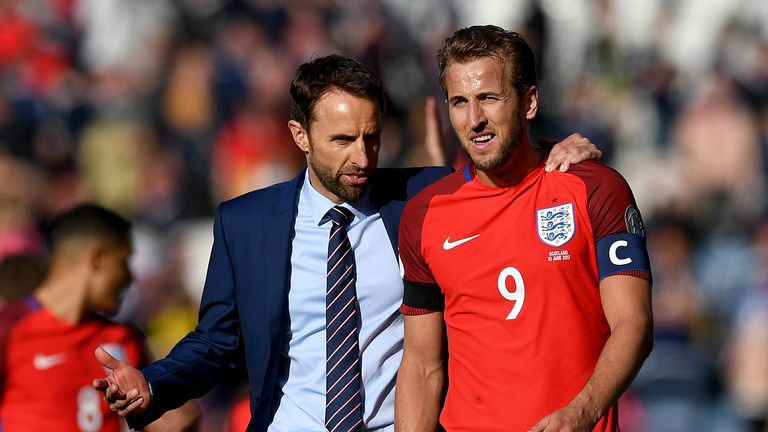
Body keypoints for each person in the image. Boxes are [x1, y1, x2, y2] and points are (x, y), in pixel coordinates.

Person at [92, 53, 602, 431]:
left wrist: (558, 153)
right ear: (299, 135)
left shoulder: (422, 198)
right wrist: (154, 383)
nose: (362, 156)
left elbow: (508, 176)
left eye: (372, 137)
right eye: (342, 140)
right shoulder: (246, 223)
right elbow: (217, 342)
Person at [395, 25, 653, 432]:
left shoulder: (595, 188)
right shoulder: (424, 215)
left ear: (529, 100)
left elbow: (633, 324)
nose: (474, 119)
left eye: (489, 99)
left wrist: (582, 412)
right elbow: (422, 364)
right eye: (459, 102)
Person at [0, 204, 146, 431]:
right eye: (124, 261)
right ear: (97, 258)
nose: (130, 277)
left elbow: (160, 419)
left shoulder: (124, 339)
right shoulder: (9, 330)